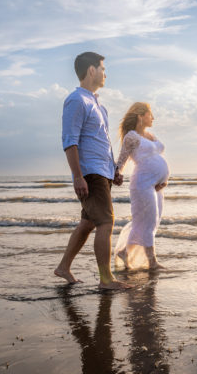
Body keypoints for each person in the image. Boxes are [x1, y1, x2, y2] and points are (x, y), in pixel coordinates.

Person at [54, 52, 131, 290]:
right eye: (103, 69)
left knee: (88, 223)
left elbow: (100, 142)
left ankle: (63, 267)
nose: (105, 73)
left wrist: (113, 171)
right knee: (106, 223)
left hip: (102, 172)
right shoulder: (77, 100)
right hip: (90, 173)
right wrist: (78, 176)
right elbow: (70, 141)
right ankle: (106, 279)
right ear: (91, 71)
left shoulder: (98, 104)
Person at [114, 102, 169, 270]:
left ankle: (124, 252)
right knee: (148, 220)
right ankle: (152, 262)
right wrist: (116, 174)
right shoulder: (131, 136)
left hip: (156, 186)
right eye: (150, 114)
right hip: (142, 184)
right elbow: (122, 161)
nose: (153, 118)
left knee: (154, 219)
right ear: (140, 116)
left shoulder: (150, 135)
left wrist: (164, 179)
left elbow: (157, 159)